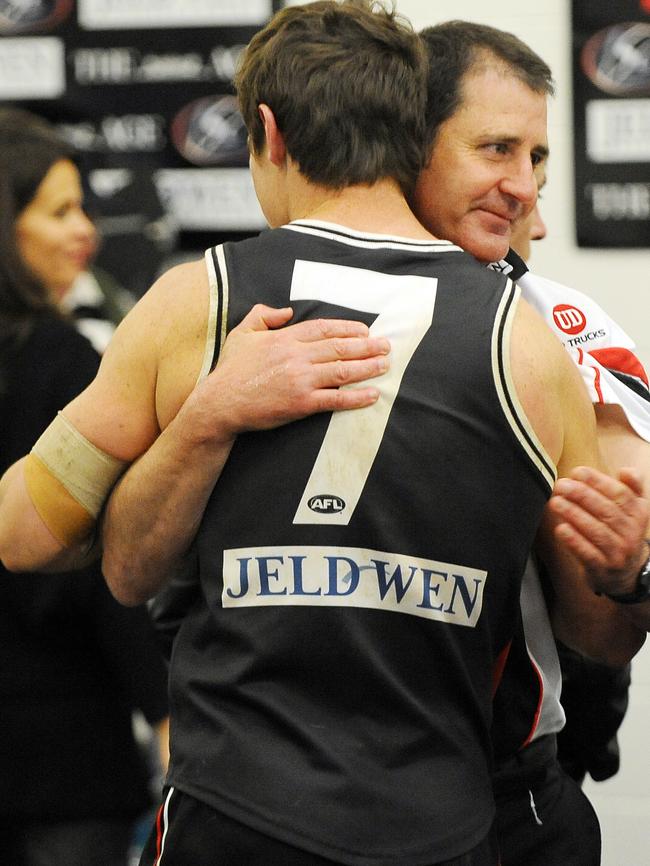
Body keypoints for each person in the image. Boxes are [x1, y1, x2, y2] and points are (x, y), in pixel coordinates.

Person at [0, 2, 627, 862]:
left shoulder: (203, 301)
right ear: (414, 136)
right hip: (440, 819)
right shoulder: (530, 339)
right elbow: (602, 628)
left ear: (266, 131)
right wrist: (632, 575)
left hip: (235, 812)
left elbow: (24, 531)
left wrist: (194, 423)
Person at [410, 21, 650, 865]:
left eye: (537, 156)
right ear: (410, 141)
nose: (524, 191)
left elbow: (621, 574)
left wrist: (633, 572)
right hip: (310, 783)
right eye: (495, 148)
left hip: (510, 785)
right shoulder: (288, 301)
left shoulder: (563, 323)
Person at [0, 107, 170, 866]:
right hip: (63, 758)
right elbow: (108, 567)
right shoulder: (64, 361)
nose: (86, 233)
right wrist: (165, 708)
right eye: (60, 210)